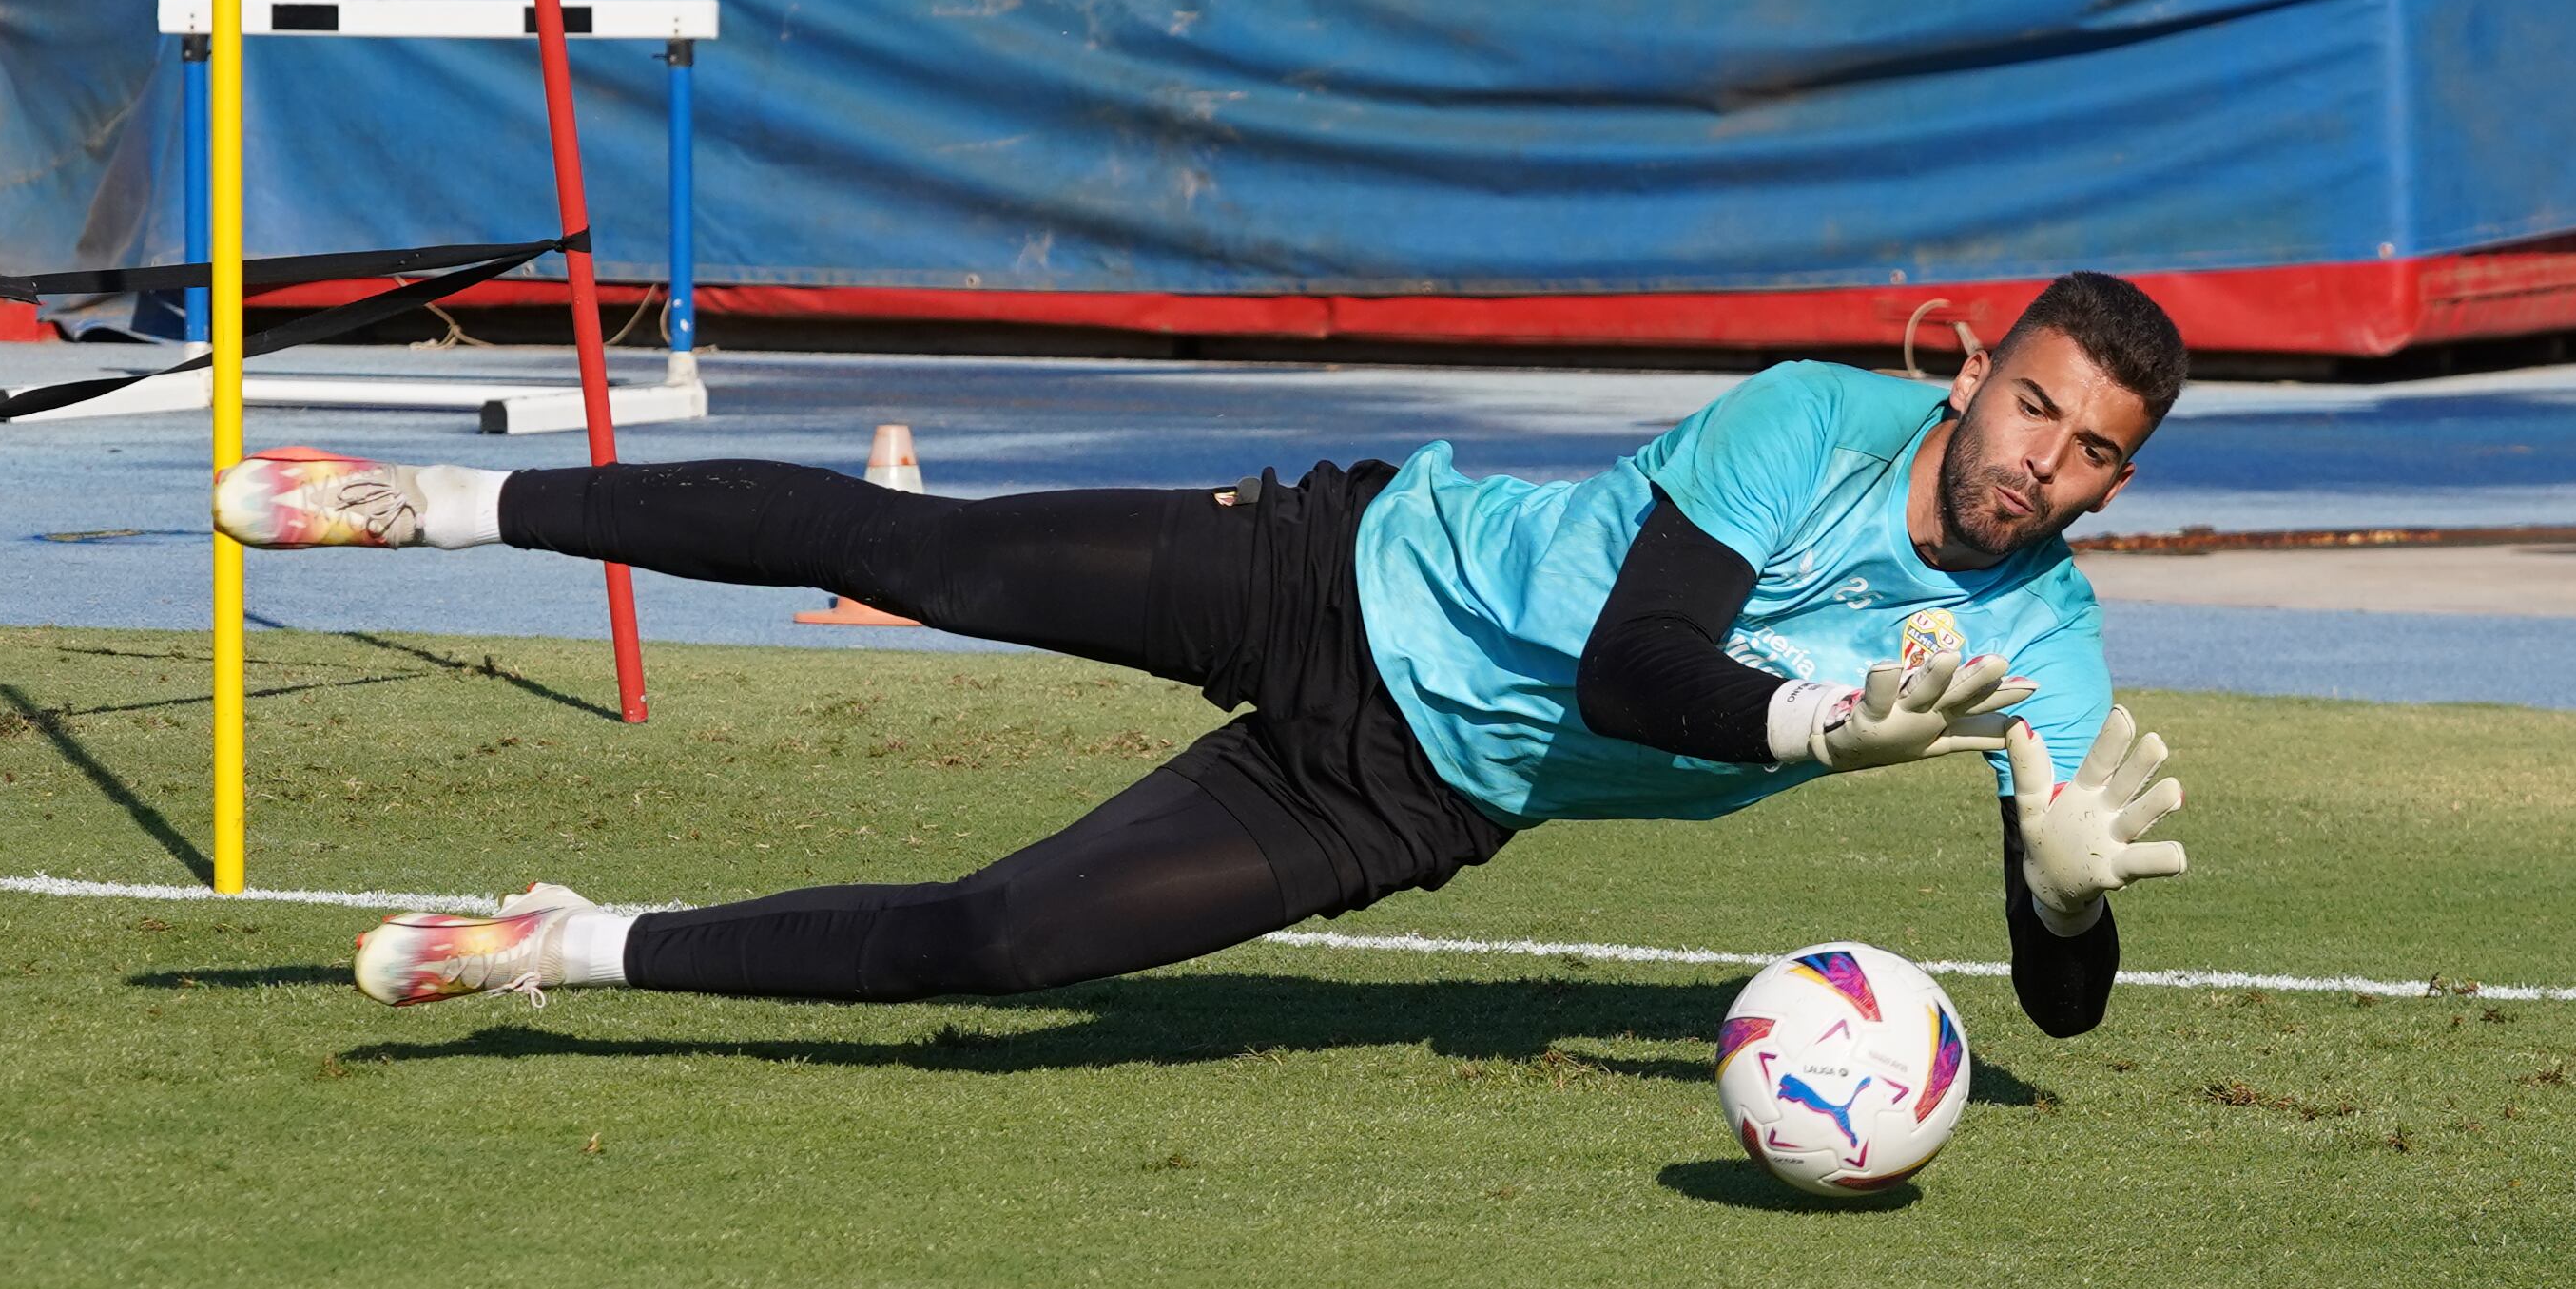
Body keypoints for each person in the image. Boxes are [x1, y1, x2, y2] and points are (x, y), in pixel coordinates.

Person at [216, 268, 2194, 1036]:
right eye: (2032, 406)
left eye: (2094, 450)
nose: (2044, 464)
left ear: (2119, 478)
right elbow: (1636, 667)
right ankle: (443, 502)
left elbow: (2060, 1010)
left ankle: (561, 944)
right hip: (1336, 571)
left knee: (1009, 947)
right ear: (1971, 373)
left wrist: (2060, 890)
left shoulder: (2047, 640)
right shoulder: (1810, 417)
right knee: (928, 558)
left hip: (1411, 792)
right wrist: (1819, 721)